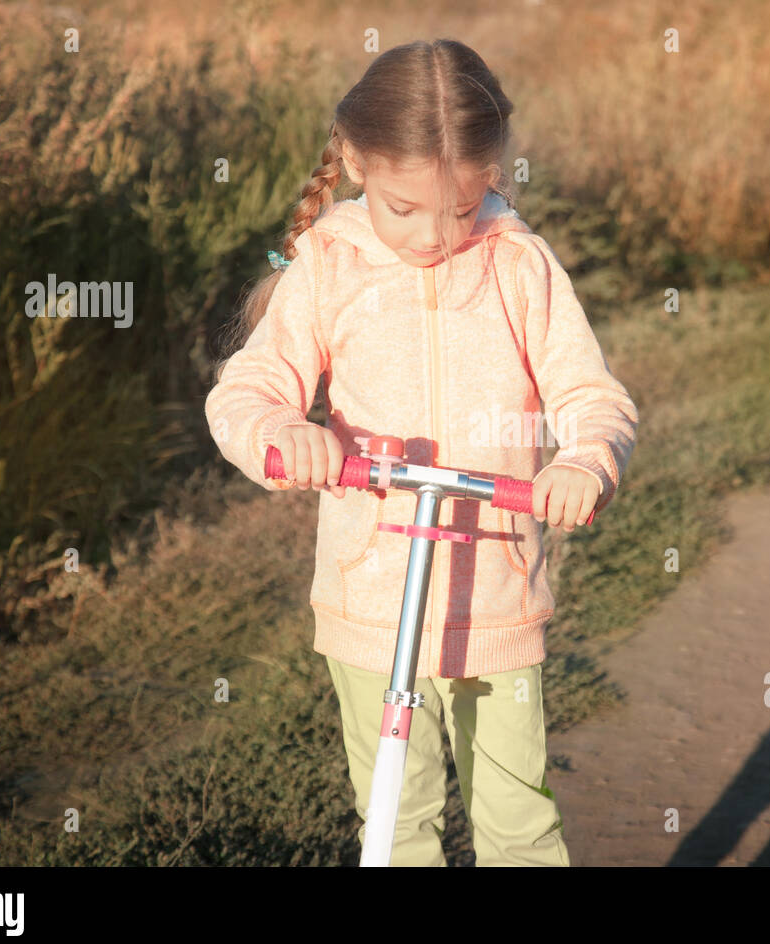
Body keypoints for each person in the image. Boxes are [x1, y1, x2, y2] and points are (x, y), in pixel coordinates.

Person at [205, 38, 637, 866]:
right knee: (395, 820)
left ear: (493, 175)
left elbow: (591, 394)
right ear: (360, 162)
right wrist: (282, 435)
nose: (435, 236)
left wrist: (584, 460)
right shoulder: (329, 265)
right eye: (405, 209)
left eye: (461, 208)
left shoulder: (517, 265)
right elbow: (245, 392)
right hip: (369, 598)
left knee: (517, 822)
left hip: (497, 604)